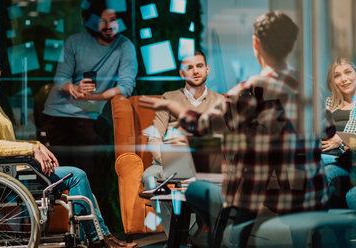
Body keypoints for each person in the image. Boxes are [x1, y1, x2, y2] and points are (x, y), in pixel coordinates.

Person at [140, 11, 333, 247]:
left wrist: (173, 108)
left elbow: (202, 126)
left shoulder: (251, 90)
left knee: (200, 191)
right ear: (292, 44)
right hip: (312, 192)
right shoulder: (311, 85)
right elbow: (327, 131)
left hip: (259, 191)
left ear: (256, 44)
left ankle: (206, 238)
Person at [0, 48, 137, 248]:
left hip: (11, 171)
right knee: (76, 176)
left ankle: (99, 237)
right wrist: (32, 149)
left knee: (79, 181)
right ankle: (97, 240)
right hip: (5, 177)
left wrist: (36, 145)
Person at [41, 0, 137, 168]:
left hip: (87, 116)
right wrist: (73, 88)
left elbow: (126, 86)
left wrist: (95, 97)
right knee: (56, 172)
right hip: (56, 114)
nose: (108, 25)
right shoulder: (74, 42)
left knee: (85, 171)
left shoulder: (125, 46)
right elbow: (60, 78)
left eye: (113, 19)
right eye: (102, 20)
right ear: (93, 20)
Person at [140, 50, 223, 235]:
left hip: (205, 165)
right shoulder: (168, 98)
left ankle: (189, 238)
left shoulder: (219, 101)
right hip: (168, 161)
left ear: (207, 69)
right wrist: (167, 161)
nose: (195, 71)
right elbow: (154, 137)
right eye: (189, 68)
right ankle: (176, 239)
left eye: (199, 66)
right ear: (181, 73)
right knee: (150, 177)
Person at [321, 58, 356, 208]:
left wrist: (340, 140)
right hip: (322, 157)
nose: (344, 79)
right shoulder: (327, 103)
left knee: (325, 172)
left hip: (347, 162)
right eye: (337, 75)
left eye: (348, 72)